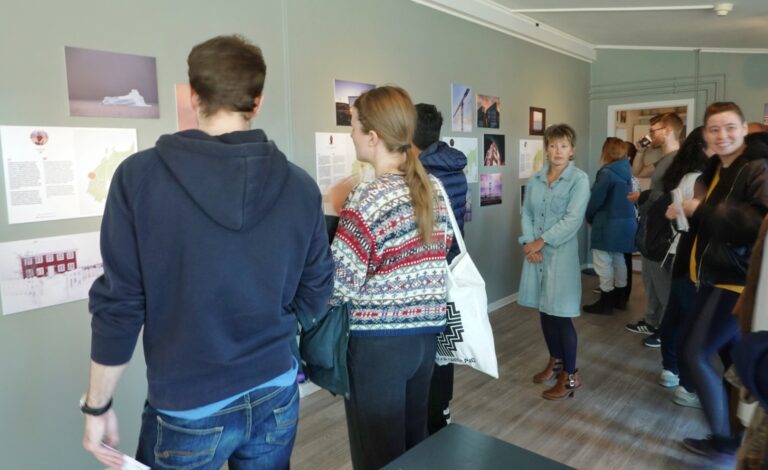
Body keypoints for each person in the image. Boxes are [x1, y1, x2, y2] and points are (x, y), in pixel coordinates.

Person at [81, 35, 335, 469]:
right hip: (276, 389)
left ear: (193, 96)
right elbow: (316, 291)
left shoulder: (138, 179)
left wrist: (97, 407)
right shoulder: (300, 186)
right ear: (257, 102)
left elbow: (120, 306)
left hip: (188, 405)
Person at [330, 86, 452, 469]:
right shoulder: (433, 189)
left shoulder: (367, 197)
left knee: (376, 457)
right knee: (413, 449)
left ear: (373, 136)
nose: (351, 135)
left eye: (354, 126)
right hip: (424, 341)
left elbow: (338, 286)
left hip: (378, 349)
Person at [672, 102, 768, 462]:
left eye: (729, 127)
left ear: (744, 129)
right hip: (712, 277)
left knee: (696, 353)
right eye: (714, 129)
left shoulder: (756, 167)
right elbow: (713, 225)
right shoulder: (717, 170)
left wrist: (703, 210)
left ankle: (724, 443)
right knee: (714, 356)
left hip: (736, 281)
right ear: (706, 134)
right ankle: (732, 434)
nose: (722, 135)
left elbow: (756, 224)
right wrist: (685, 212)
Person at [518, 124, 590, 400]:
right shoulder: (536, 179)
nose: (557, 151)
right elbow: (526, 213)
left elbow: (572, 221)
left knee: (561, 315)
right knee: (544, 311)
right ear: (546, 148)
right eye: (552, 145)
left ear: (572, 150)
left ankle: (570, 377)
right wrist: (528, 243)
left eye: (563, 146)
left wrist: (540, 242)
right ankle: (555, 361)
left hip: (560, 255)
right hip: (535, 254)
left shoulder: (579, 180)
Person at [413, 103, 468, 435]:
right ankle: (442, 409)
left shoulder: (422, 176)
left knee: (430, 347)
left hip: (432, 271)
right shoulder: (454, 167)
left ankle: (431, 417)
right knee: (444, 345)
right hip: (451, 263)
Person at [653, 127, 711, 405]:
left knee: (675, 317)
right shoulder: (702, 179)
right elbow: (682, 218)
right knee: (689, 321)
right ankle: (689, 384)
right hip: (693, 259)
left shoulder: (686, 176)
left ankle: (671, 370)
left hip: (679, 254)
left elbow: (673, 216)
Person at [626, 113, 684, 346]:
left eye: (655, 129)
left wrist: (644, 195)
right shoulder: (663, 159)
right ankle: (652, 320)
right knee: (649, 277)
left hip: (664, 228)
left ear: (668, 130)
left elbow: (675, 194)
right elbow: (637, 172)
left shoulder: (680, 160)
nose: (651, 133)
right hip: (651, 224)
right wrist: (640, 151)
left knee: (662, 280)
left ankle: (666, 329)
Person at [583, 138, 637, 314]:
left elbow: (596, 200)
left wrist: (589, 217)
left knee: (603, 262)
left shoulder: (606, 173)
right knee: (619, 260)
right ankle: (620, 299)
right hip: (626, 223)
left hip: (608, 224)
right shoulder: (627, 170)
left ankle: (606, 301)